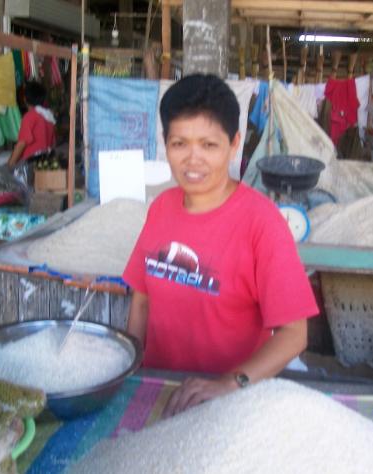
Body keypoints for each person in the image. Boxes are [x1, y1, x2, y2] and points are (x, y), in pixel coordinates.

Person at [122, 74, 319, 418]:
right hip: (159, 390)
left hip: (230, 402)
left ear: (234, 144)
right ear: (165, 144)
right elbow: (141, 301)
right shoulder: (160, 208)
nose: (192, 159)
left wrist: (230, 383)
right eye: (179, 143)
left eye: (209, 145)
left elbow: (294, 333)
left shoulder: (262, 222)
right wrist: (132, 373)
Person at [7, 81, 56, 181]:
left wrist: (9, 166)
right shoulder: (49, 117)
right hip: (45, 164)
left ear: (25, 99)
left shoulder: (29, 117)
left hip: (30, 166)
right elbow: (53, 144)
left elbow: (21, 144)